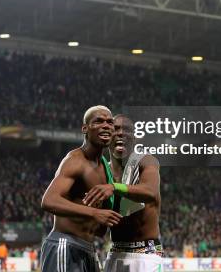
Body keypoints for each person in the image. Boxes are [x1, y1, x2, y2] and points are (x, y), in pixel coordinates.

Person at [40, 106, 123, 272]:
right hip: (66, 244)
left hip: (88, 249)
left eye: (110, 122)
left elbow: (101, 225)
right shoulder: (75, 160)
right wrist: (94, 213)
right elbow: (48, 200)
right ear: (85, 128)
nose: (106, 125)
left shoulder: (105, 168)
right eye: (98, 121)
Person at [83, 114, 162, 272]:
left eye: (126, 130)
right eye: (116, 129)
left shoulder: (145, 161)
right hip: (115, 253)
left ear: (134, 138)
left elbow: (150, 192)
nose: (120, 133)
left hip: (145, 254)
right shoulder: (102, 171)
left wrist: (114, 187)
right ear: (108, 136)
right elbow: (100, 230)